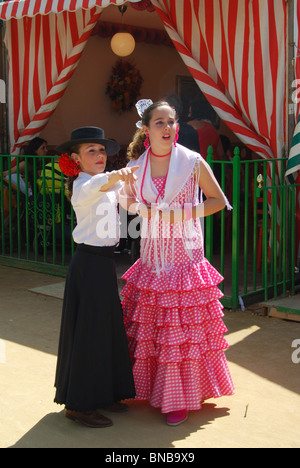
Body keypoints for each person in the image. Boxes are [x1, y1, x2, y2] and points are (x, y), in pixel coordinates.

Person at [120, 100, 234, 426]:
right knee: (155, 330)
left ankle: (179, 397)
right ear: (146, 129)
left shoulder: (193, 162)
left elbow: (217, 201)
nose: (168, 128)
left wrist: (182, 213)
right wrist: (141, 210)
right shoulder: (136, 166)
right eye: (159, 122)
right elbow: (126, 199)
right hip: (153, 257)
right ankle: (151, 389)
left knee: (180, 333)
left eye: (171, 122)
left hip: (185, 260)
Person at [54, 127, 137, 428]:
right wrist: (126, 171)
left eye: (102, 150)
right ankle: (79, 404)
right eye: (92, 150)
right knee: (90, 333)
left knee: (106, 330)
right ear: (75, 158)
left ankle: (104, 392)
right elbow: (108, 181)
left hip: (103, 264)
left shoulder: (105, 182)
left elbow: (127, 200)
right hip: (88, 264)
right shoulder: (83, 185)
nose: (100, 155)